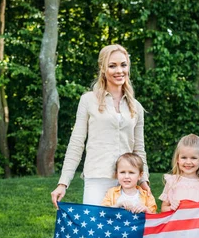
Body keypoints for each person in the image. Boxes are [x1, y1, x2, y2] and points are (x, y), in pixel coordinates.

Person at [50, 44, 150, 208]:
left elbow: (139, 148)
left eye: (123, 65)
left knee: (122, 233)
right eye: (112, 66)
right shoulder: (88, 100)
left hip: (127, 183)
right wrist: (63, 183)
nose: (119, 70)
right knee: (94, 232)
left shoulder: (136, 106)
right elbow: (76, 143)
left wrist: (143, 179)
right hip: (96, 178)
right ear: (103, 69)